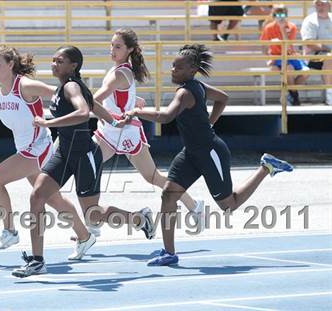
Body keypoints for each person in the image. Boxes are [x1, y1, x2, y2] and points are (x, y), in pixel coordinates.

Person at [125, 44, 294, 266]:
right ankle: (169, 252)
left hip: (210, 152)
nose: (172, 70)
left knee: (228, 205)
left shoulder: (186, 92)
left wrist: (136, 112)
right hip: (191, 154)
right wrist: (210, 122)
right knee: (168, 195)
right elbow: (222, 98)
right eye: (172, 66)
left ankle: (265, 167)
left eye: (177, 67)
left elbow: (165, 117)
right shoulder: (196, 86)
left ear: (192, 69)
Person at [12, 46, 155, 278]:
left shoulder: (71, 86)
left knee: (92, 215)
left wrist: (48, 124)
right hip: (64, 154)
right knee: (37, 196)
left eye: (60, 61)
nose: (54, 64)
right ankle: (37, 261)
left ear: (73, 66)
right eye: (53, 60)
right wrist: (113, 121)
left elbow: (82, 112)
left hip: (85, 155)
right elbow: (94, 105)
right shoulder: (67, 87)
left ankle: (139, 218)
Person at [90, 28, 205, 238]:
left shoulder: (119, 73)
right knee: (88, 167)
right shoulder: (121, 70)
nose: (112, 50)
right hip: (110, 131)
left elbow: (93, 100)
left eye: (118, 47)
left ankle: (194, 205)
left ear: (129, 49)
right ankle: (93, 220)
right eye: (111, 45)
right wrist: (133, 102)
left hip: (124, 132)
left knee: (151, 177)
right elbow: (119, 99)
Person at [0, 45, 95, 251]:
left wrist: (105, 114)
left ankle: (10, 232)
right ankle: (85, 236)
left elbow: (67, 94)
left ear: (11, 65)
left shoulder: (25, 86)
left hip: (38, 148)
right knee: (53, 199)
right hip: (25, 148)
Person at [260, 4, 309, 106]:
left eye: (282, 14)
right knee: (289, 68)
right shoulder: (268, 28)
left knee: (306, 72)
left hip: (290, 55)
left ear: (286, 15)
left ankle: (287, 93)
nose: (280, 16)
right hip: (277, 57)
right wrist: (267, 59)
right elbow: (263, 45)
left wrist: (282, 29)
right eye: (277, 14)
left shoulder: (292, 27)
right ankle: (295, 97)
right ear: (273, 15)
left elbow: (287, 45)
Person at [301, 0, 332, 105]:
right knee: (329, 59)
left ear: (329, 5)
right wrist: (328, 49)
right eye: (318, 4)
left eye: (323, 3)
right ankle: (329, 96)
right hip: (313, 56)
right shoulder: (310, 20)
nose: (320, 6)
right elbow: (309, 43)